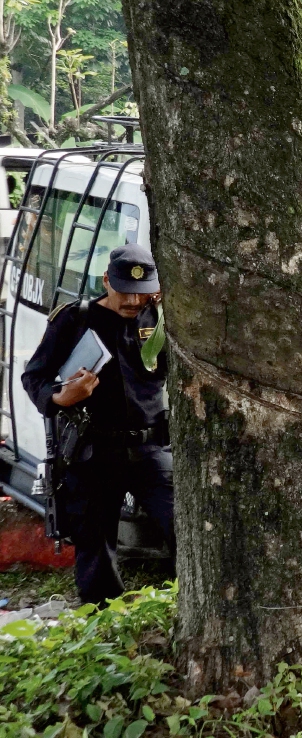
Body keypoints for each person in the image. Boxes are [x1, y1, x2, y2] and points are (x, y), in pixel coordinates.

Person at [21, 245, 173, 605]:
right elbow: (34, 376)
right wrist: (61, 397)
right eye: (124, 290)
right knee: (95, 546)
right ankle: (102, 619)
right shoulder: (74, 320)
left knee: (182, 527)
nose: (134, 300)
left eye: (142, 291)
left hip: (151, 448)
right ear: (107, 281)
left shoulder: (162, 318)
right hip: (95, 451)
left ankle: (181, 607)